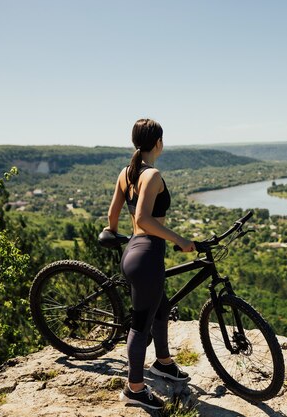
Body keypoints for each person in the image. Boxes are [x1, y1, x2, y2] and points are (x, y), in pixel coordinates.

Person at [104, 118, 195, 410]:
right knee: (140, 325)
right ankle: (135, 389)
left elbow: (112, 217)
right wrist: (179, 239)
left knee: (162, 306)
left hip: (133, 250)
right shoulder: (152, 175)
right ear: (159, 143)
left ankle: (163, 362)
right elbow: (144, 219)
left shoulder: (126, 173)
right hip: (148, 254)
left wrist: (114, 232)